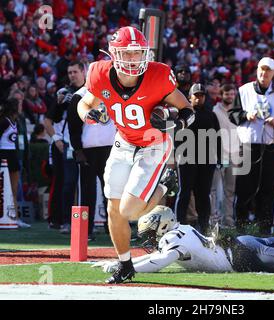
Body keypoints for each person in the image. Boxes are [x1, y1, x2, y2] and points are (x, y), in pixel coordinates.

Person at [77, 26, 195, 284]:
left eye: (138, 53)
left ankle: (165, 185)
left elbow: (187, 109)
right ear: (113, 54)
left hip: (153, 143)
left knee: (130, 211)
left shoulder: (159, 75)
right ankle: (125, 264)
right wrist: (88, 114)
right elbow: (84, 103)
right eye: (127, 54)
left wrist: (175, 121)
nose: (133, 59)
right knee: (113, 209)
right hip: (124, 142)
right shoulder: (99, 73)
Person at [94, 184, 274, 275]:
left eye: (151, 233)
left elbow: (158, 262)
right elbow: (156, 257)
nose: (151, 240)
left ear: (162, 226)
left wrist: (127, 268)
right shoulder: (178, 231)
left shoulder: (173, 240)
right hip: (240, 244)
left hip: (242, 253)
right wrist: (123, 263)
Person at [229, 57, 274, 234]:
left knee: (269, 188)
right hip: (249, 145)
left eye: (268, 70)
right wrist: (245, 115)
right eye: (261, 69)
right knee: (244, 188)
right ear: (257, 69)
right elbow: (232, 114)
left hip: (272, 146)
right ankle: (240, 227)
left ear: (273, 73)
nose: (263, 73)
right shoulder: (244, 90)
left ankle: (264, 228)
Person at [68, 86, 117, 238]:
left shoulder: (114, 89)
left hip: (111, 148)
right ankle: (85, 230)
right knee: (87, 192)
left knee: (112, 191)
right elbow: (73, 126)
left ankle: (114, 228)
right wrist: (78, 150)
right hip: (87, 150)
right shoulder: (80, 95)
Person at [43, 61, 85, 230]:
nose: (72, 75)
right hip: (69, 144)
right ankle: (65, 220)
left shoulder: (90, 90)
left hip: (89, 144)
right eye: (69, 72)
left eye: (75, 71)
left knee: (89, 183)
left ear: (83, 71)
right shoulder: (64, 93)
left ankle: (92, 222)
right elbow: (48, 119)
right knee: (67, 183)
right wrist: (57, 139)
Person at [174, 83, 220, 235]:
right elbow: (176, 136)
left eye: (202, 95)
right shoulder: (183, 114)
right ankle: (179, 226)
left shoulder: (211, 114)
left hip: (206, 160)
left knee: (203, 195)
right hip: (186, 158)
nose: (199, 98)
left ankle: (204, 227)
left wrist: (218, 158)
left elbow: (217, 138)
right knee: (184, 193)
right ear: (190, 97)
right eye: (196, 95)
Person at [210, 83, 240, 228]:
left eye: (232, 94)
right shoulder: (215, 111)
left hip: (234, 155)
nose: (230, 96)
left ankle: (228, 219)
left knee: (230, 189)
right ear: (221, 95)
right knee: (214, 190)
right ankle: (214, 220)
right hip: (219, 155)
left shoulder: (238, 111)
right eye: (227, 94)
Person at [0, 98, 29, 227]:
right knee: (2, 189)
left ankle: (15, 218)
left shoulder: (16, 121)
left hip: (13, 156)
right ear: (14, 107)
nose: (21, 107)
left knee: (14, 189)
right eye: (19, 105)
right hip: (3, 156)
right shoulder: (3, 122)